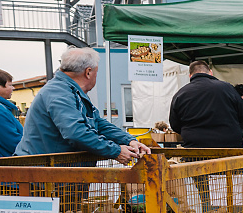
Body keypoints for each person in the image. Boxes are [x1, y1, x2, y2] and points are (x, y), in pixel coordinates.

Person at [14, 48, 149, 161]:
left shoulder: (72, 92)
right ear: (88, 72)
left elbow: (97, 123)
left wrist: (129, 140)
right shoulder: (58, 92)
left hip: (59, 174)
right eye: (96, 72)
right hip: (46, 176)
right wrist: (115, 151)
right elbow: (76, 132)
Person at [169, 61, 243, 148]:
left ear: (190, 76)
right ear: (211, 72)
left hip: (196, 148)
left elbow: (175, 124)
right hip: (229, 146)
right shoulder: (227, 88)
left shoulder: (181, 94)